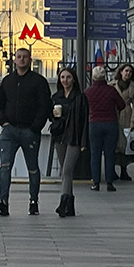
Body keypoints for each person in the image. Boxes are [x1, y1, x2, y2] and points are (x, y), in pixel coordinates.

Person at [0, 48, 53, 216]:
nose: (21, 60)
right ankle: (3, 202)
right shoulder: (8, 81)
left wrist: (35, 127)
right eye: (19, 57)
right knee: (4, 166)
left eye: (25, 57)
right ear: (14, 60)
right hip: (9, 131)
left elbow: (44, 106)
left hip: (30, 131)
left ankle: (33, 201)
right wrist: (3, 122)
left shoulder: (39, 81)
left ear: (30, 60)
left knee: (32, 167)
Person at [49, 66, 88, 217]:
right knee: (66, 172)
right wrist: (52, 114)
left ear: (74, 79)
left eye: (68, 77)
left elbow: (85, 121)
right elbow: (50, 117)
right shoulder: (56, 97)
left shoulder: (80, 97)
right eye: (63, 77)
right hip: (60, 136)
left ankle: (63, 202)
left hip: (75, 137)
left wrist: (84, 142)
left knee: (67, 170)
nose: (65, 80)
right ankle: (70, 206)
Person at [84, 65, 125, 192]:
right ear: (105, 76)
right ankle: (109, 182)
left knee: (95, 154)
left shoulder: (87, 92)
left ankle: (96, 183)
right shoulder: (111, 90)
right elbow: (122, 105)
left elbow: (83, 109)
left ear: (93, 77)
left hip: (94, 124)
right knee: (109, 154)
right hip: (110, 124)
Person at [113, 63, 134, 181]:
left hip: (127, 114)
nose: (128, 73)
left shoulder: (133, 86)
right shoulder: (112, 84)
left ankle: (124, 170)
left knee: (125, 144)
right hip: (114, 114)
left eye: (130, 72)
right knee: (114, 143)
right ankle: (112, 170)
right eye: (126, 71)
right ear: (121, 72)